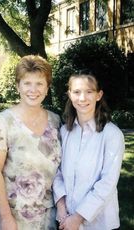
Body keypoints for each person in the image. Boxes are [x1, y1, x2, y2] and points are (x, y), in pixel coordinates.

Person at [0, 55, 61, 230]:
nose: (33, 89)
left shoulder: (55, 122)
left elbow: (60, 172)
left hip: (48, 217)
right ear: (18, 86)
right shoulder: (3, 122)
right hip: (11, 217)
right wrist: (5, 217)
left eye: (39, 83)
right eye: (27, 83)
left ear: (47, 88)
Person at [53, 70, 125, 230]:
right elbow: (57, 172)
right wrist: (61, 207)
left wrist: (78, 217)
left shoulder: (112, 134)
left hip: (100, 224)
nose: (82, 98)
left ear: (99, 95)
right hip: (66, 219)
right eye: (77, 92)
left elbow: (107, 182)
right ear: (70, 95)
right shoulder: (65, 132)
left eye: (89, 92)